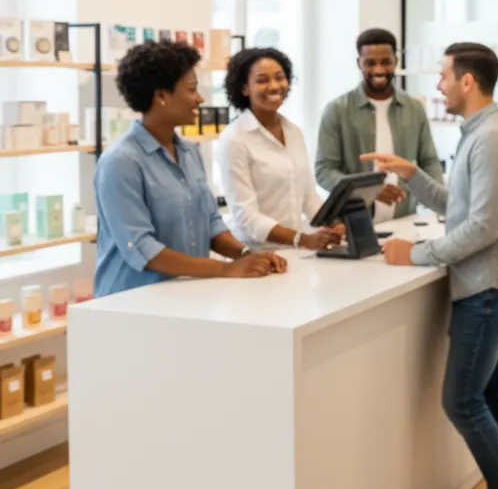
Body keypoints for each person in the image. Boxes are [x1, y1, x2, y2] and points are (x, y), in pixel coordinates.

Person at [362, 43, 498, 489]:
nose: (437, 85)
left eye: (443, 76)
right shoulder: (481, 134)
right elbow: (460, 206)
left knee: (461, 400)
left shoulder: (492, 139)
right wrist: (411, 174)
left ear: (467, 82)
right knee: (497, 395)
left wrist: (412, 255)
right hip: (490, 285)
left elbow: (482, 229)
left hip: (487, 288)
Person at [94, 41, 287, 298]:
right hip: (131, 302)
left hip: (186, 296)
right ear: (161, 96)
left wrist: (249, 256)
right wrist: (226, 269)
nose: (200, 98)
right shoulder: (120, 162)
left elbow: (211, 223)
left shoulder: (189, 152)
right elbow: (142, 248)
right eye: (192, 90)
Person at [214, 47, 343, 251]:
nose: (274, 86)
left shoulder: (294, 132)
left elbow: (308, 196)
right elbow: (245, 215)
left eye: (279, 78)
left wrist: (334, 224)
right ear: (245, 88)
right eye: (262, 80)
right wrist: (302, 239)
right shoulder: (234, 139)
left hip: (296, 251)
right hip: (255, 255)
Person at [315, 28, 442, 222]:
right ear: (359, 64)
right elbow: (324, 170)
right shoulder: (337, 110)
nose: (379, 70)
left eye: (385, 62)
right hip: (353, 222)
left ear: (396, 62)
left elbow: (429, 161)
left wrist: (440, 205)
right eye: (370, 63)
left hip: (405, 220)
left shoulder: (415, 108)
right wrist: (368, 191)